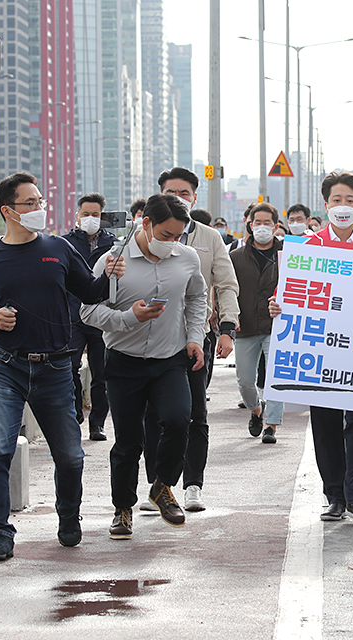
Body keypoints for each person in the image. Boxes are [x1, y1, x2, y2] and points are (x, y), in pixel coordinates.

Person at [0, 172, 125, 561]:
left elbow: (89, 290)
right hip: (6, 366)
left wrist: (110, 275)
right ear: (8, 211)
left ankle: (68, 516)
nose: (39, 209)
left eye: (41, 202)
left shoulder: (58, 249)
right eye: (30, 203)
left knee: (70, 455)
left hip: (55, 367)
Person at [269, 171, 353, 526]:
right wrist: (277, 304)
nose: (343, 207)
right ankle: (334, 496)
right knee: (326, 422)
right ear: (326, 204)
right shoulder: (309, 249)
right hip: (322, 351)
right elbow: (288, 292)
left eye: (350, 201)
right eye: (336, 200)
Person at [81, 193, 207, 540]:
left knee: (180, 420)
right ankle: (122, 509)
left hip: (170, 359)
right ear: (146, 223)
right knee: (128, 442)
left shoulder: (187, 258)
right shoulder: (113, 260)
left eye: (179, 236)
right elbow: (88, 311)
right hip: (124, 362)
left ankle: (163, 486)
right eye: (166, 235)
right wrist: (128, 318)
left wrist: (195, 336)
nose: (173, 243)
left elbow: (197, 297)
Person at [141, 167, 239, 513]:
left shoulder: (209, 238)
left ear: (194, 197)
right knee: (154, 415)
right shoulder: (142, 234)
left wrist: (227, 327)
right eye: (171, 192)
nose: (178, 198)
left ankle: (193, 484)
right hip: (152, 338)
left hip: (197, 338)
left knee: (195, 412)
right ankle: (159, 485)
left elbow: (226, 283)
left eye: (184, 193)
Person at [62, 192, 116, 441]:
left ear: (102, 217)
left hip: (100, 316)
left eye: (95, 215)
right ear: (77, 216)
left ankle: (98, 423)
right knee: (69, 368)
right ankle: (75, 414)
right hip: (72, 316)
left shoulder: (114, 245)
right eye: (86, 214)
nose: (90, 219)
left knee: (101, 372)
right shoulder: (65, 243)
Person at [230, 202, 284, 444]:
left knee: (276, 376)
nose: (262, 227)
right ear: (249, 225)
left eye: (267, 222)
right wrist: (228, 319)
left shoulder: (289, 256)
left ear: (276, 225)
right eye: (257, 222)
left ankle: (271, 425)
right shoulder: (235, 257)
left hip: (279, 326)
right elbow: (227, 290)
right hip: (246, 326)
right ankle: (256, 409)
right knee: (244, 381)